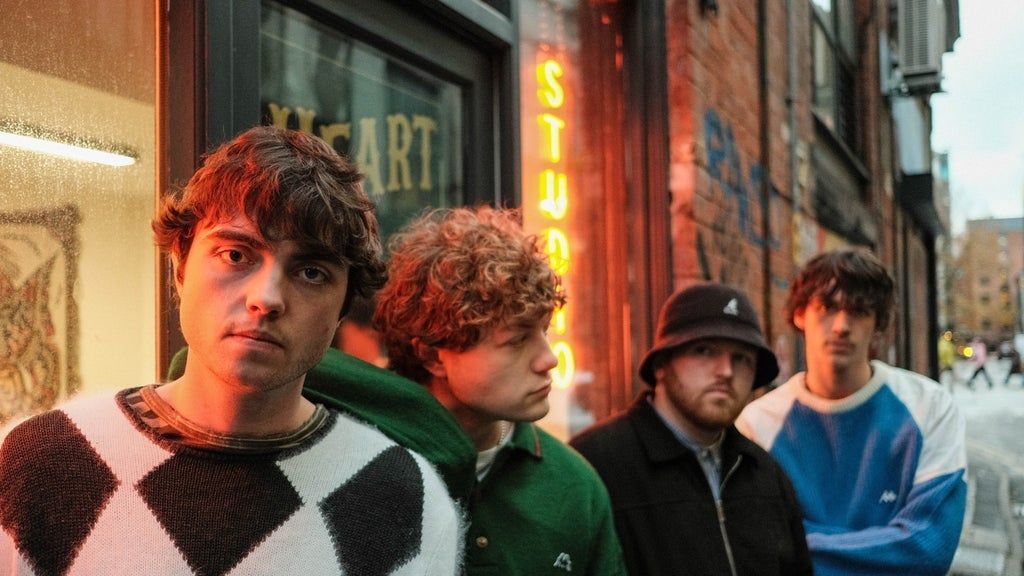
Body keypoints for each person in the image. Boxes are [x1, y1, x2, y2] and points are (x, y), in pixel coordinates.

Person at [0, 126, 462, 575]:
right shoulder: (40, 464)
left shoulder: (403, 498)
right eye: (236, 255)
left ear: (343, 307)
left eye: (311, 272)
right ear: (180, 266)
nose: (267, 298)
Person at [373, 206, 627, 576]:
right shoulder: (363, 463)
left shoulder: (574, 486)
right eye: (517, 340)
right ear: (432, 355)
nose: (549, 359)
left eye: (544, 330)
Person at [736, 249, 967, 576]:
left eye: (859, 311)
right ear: (800, 314)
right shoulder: (756, 425)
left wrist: (796, 547)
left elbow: (927, 549)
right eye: (827, 307)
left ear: (878, 323)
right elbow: (749, 544)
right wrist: (884, 545)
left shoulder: (930, 408)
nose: (842, 326)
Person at [570, 283, 813, 576]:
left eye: (741, 358)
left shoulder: (764, 474)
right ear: (661, 365)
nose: (726, 371)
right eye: (704, 351)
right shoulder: (597, 464)